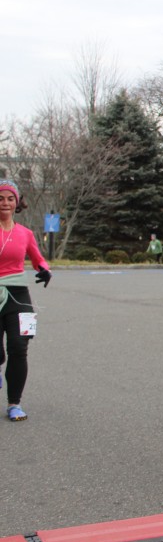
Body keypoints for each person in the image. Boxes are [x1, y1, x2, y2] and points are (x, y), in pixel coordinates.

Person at [0, 179, 52, 421]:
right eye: (0, 198)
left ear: (17, 202)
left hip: (19, 296)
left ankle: (14, 404)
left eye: (10, 198)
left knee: (19, 348)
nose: (5, 203)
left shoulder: (25, 234)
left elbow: (38, 258)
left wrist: (44, 269)